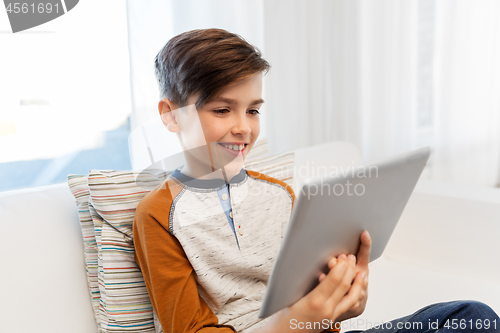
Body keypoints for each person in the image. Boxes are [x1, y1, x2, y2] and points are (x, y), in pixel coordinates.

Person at [132, 28, 500, 333]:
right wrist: (296, 321)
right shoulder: (158, 215)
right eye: (223, 109)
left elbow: (319, 313)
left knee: (473, 317)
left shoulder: (280, 195)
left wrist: (344, 301)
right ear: (171, 115)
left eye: (254, 110)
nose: (244, 127)